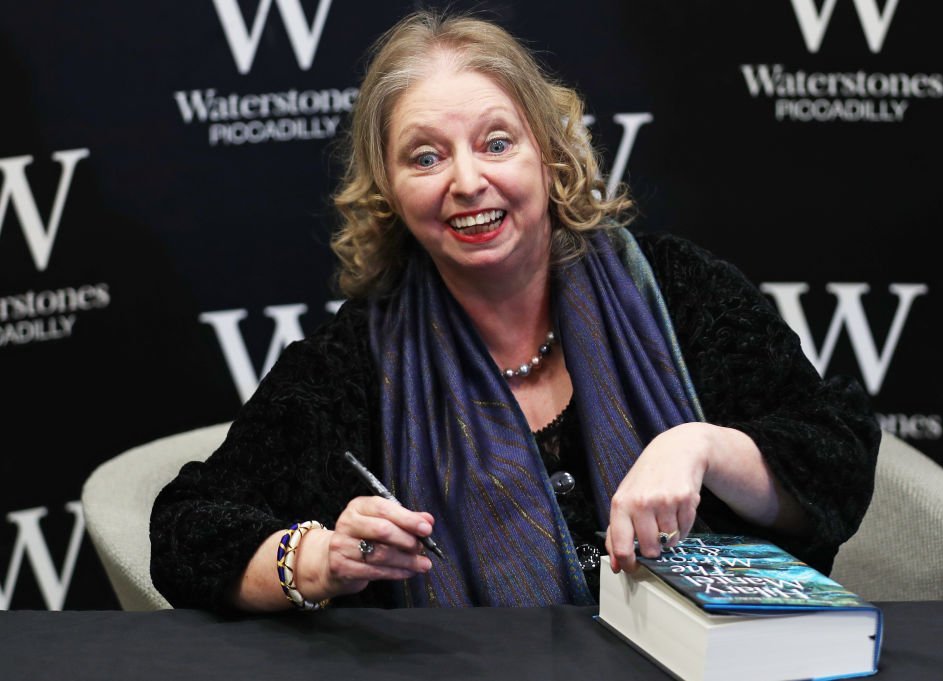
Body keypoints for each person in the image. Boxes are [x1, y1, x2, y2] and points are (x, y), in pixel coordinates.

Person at [150, 10, 879, 612]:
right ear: (390, 192)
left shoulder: (677, 289)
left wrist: (703, 446)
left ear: (547, 154)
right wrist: (315, 559)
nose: (468, 181)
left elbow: (835, 459)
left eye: (497, 142)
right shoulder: (348, 366)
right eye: (426, 157)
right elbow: (186, 530)